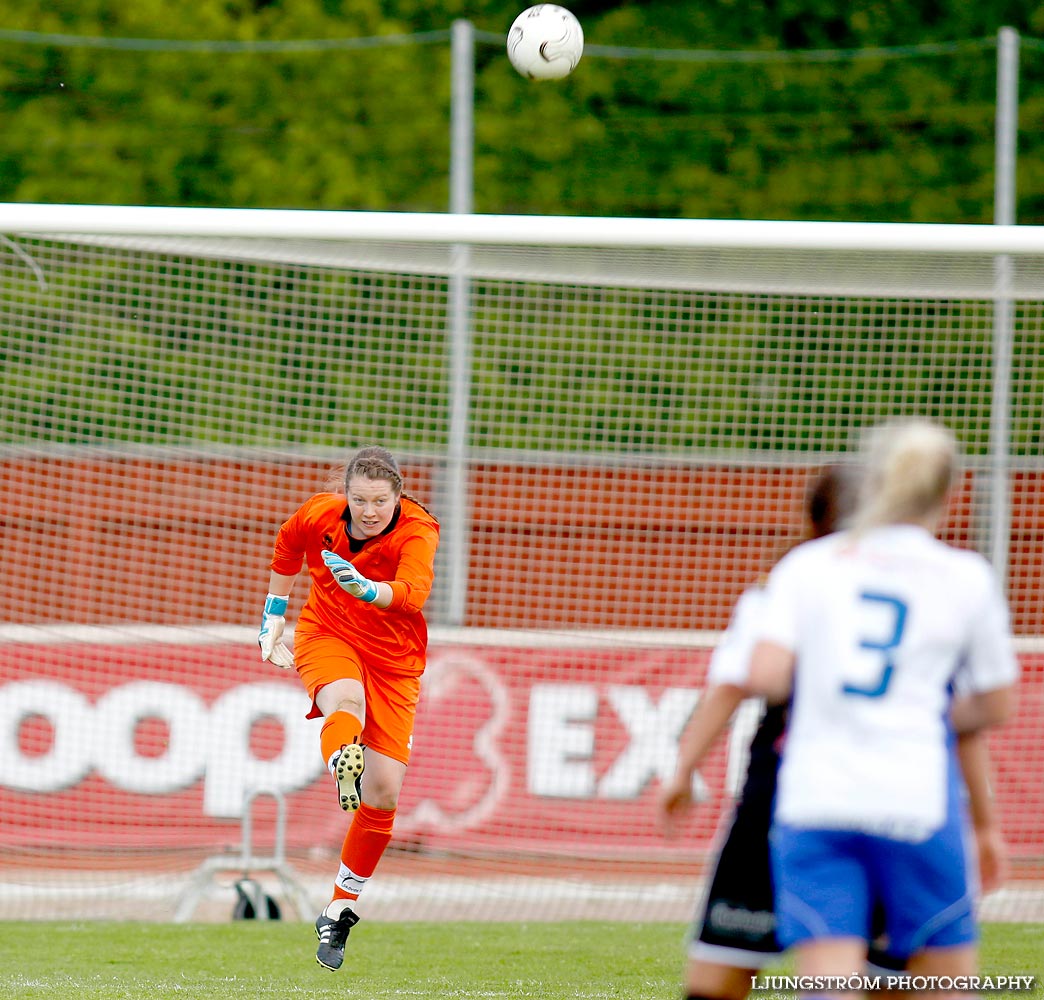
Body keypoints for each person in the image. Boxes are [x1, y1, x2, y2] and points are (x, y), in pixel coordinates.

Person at [658, 464, 1009, 1000]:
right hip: (904, 796)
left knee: (732, 975)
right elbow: (974, 714)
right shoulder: (936, 590)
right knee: (905, 979)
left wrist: (682, 770)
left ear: (811, 515)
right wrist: (984, 824)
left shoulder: (790, 582)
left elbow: (739, 682)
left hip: (797, 792)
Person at [746, 419, 1016, 993]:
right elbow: (996, 703)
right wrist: (916, 710)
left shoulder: (809, 566)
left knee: (828, 985)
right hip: (913, 800)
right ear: (949, 491)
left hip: (816, 800)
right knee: (940, 983)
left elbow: (766, 676)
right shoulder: (965, 577)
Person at [257, 445, 440, 972]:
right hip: (327, 633)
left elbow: (413, 594)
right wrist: (273, 615)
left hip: (395, 662)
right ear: (347, 493)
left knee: (383, 794)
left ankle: (339, 908)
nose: (368, 511)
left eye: (379, 501)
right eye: (359, 499)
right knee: (345, 701)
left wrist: (370, 590)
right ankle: (341, 757)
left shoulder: (418, 530)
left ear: (397, 497)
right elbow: (287, 544)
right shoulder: (322, 513)